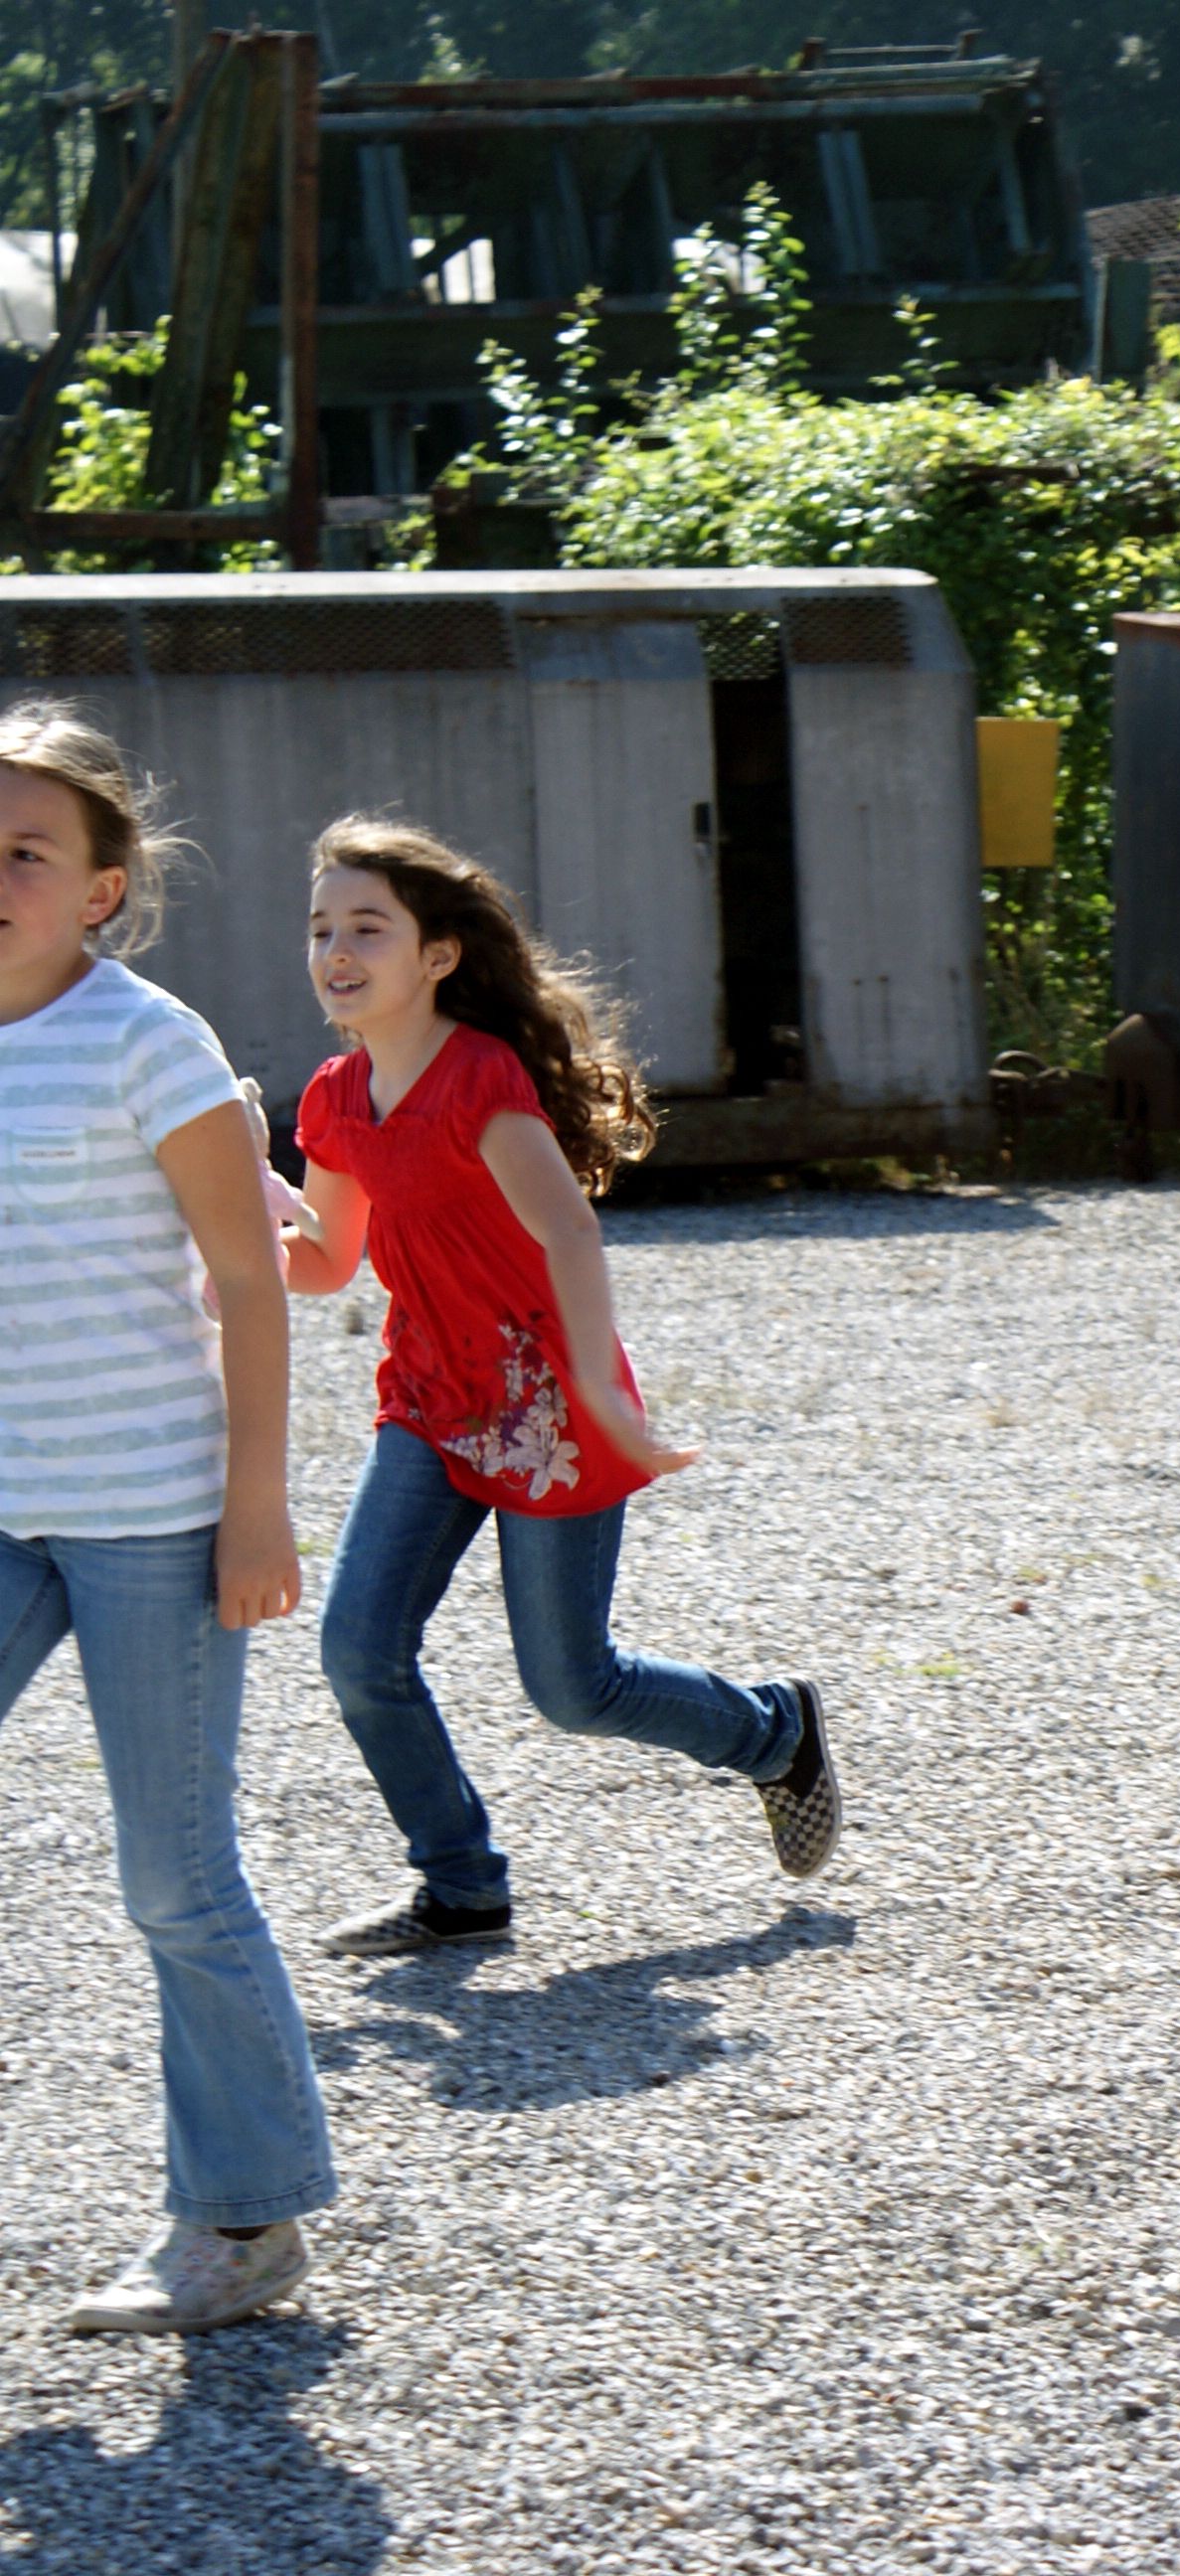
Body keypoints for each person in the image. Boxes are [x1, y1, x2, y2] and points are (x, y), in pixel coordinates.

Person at [280, 818, 838, 1955]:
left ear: (438, 954)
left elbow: (571, 1233)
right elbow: (323, 1265)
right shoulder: (334, 1099)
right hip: (427, 1406)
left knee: (573, 1687)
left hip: (552, 1416)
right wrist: (234, 1204)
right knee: (357, 1647)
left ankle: (774, 1736)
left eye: (367, 928)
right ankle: (460, 1885)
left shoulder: (480, 1079)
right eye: (323, 929)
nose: (338, 950)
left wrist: (603, 1393)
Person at [0, 701, 338, 2333]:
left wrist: (255, 1506)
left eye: (26, 851)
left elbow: (249, 1280)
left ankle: (244, 2221)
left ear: (102, 889)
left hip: (152, 1517)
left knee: (175, 1879)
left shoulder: (152, 1041)